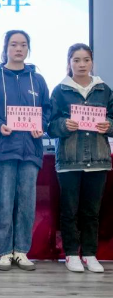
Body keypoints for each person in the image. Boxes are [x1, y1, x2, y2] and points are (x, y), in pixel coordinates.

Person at [0, 30, 51, 271]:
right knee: (4, 202)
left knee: (27, 204)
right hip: (2, 150)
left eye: (23, 45)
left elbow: (47, 111)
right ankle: (3, 252)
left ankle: (21, 251)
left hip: (30, 151)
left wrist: (42, 126)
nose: (19, 49)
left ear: (28, 48)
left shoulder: (38, 80)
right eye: (13, 44)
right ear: (6, 48)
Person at [48, 43, 113, 273]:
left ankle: (89, 254)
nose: (82, 64)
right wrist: (63, 125)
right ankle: (71, 254)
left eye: (86, 60)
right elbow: (49, 126)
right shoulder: (59, 91)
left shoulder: (104, 90)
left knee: (91, 212)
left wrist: (109, 125)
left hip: (98, 160)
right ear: (69, 63)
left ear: (92, 62)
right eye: (76, 60)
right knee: (69, 211)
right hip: (69, 160)